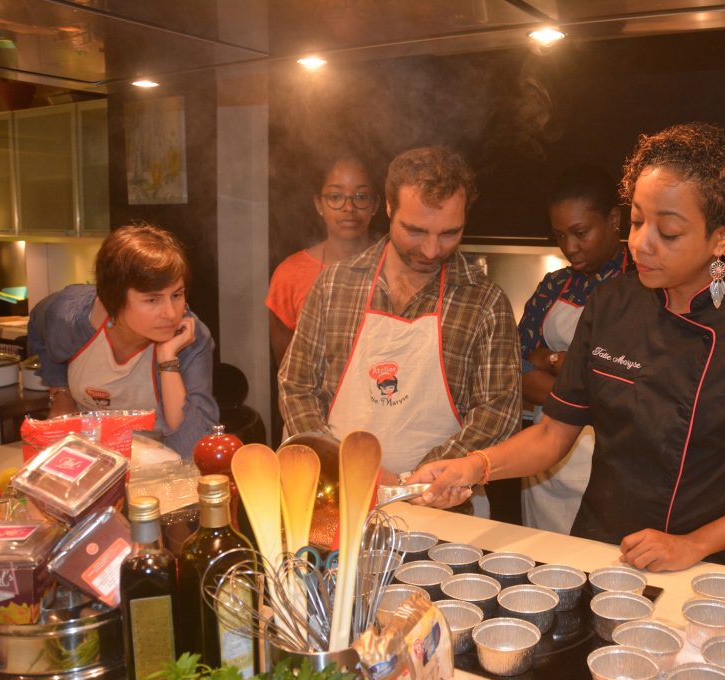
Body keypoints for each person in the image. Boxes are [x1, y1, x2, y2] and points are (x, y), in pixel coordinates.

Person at [410, 123, 725, 571]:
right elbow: (553, 434)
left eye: (668, 232)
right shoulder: (611, 304)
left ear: (723, 236)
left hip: (701, 565)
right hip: (597, 551)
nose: (640, 243)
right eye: (636, 220)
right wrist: (471, 467)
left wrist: (693, 544)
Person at [279, 146, 522, 515]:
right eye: (416, 230)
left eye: (449, 234)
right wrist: (344, 463)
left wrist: (419, 480)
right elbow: (296, 386)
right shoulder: (334, 286)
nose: (430, 250)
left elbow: (498, 412)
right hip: (337, 492)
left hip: (441, 503)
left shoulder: (485, 303)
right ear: (389, 208)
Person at [28, 223, 219, 459]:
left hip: (158, 467)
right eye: (152, 300)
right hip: (89, 458)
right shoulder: (70, 317)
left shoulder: (191, 339)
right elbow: (38, 324)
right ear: (114, 297)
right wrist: (61, 393)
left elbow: (193, 448)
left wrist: (167, 359)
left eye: (177, 295)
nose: (171, 313)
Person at [518, 163, 634, 534]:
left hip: (614, 459)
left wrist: (547, 364)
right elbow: (514, 365)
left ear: (614, 220)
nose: (570, 247)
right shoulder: (555, 285)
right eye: (560, 235)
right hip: (545, 462)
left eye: (580, 232)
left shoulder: (642, 284)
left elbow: (626, 386)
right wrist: (567, 370)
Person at [266, 151, 378, 367]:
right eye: (335, 197)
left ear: (375, 205)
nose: (349, 208)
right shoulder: (289, 275)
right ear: (319, 205)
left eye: (361, 197)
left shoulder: (395, 266)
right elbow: (288, 371)